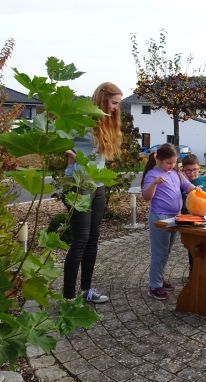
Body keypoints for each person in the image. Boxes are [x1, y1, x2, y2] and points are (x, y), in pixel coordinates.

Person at [63, 82, 123, 303]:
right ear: (102, 98)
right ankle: (69, 298)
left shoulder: (106, 123)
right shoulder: (82, 120)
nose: (116, 108)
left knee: (92, 239)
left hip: (98, 185)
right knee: (80, 240)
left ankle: (86, 290)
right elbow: (58, 137)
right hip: (79, 183)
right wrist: (71, 155)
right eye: (114, 103)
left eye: (118, 103)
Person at [142, 143, 199, 300]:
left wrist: (195, 189)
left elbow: (187, 185)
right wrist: (154, 184)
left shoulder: (175, 173)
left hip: (175, 217)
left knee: (166, 251)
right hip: (160, 217)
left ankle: (159, 279)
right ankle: (154, 286)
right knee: (159, 252)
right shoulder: (153, 174)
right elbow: (146, 196)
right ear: (159, 159)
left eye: (174, 162)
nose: (172, 165)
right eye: (169, 162)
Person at [180, 154, 206, 273]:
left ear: (199, 168)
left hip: (205, 218)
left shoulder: (205, 179)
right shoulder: (182, 182)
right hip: (189, 218)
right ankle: (193, 272)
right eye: (188, 170)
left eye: (194, 169)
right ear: (183, 170)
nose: (192, 173)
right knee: (193, 246)